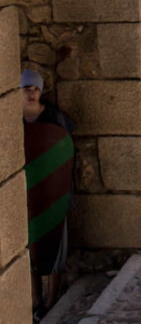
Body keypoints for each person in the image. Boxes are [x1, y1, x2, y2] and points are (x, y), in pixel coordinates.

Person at [21, 69, 75, 318]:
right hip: (28, 197)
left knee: (55, 245)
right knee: (30, 249)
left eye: (35, 89)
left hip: (55, 194)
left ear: (41, 91)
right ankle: (35, 299)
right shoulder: (14, 122)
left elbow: (64, 152)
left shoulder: (55, 119)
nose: (31, 93)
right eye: (26, 89)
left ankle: (53, 297)